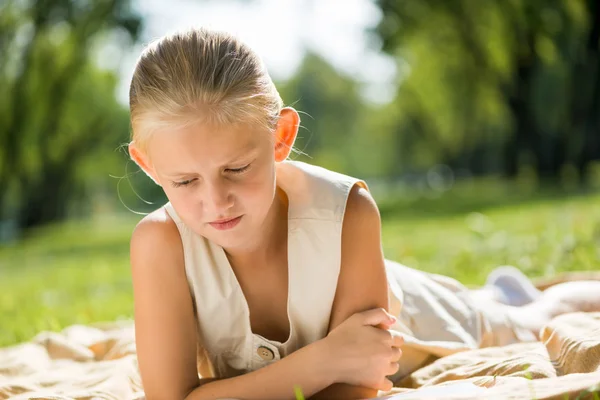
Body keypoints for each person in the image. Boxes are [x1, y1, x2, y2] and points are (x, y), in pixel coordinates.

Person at [127, 27, 600, 400]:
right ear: (149, 166)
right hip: (342, 330)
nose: (215, 201)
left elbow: (357, 385)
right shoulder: (159, 245)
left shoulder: (347, 211)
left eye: (237, 168)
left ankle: (512, 298)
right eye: (185, 181)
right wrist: (324, 361)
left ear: (280, 139)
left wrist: (339, 368)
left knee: (530, 321)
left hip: (420, 316)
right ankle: (502, 290)